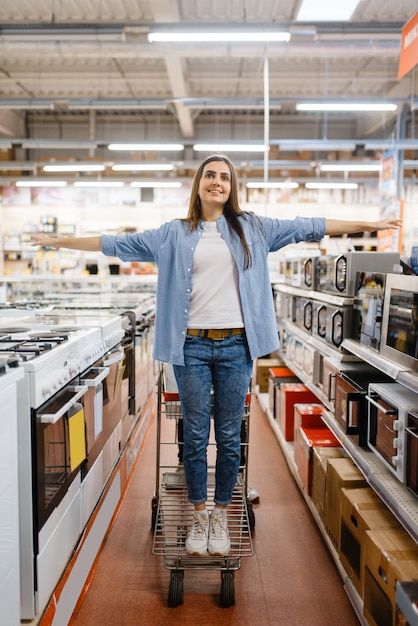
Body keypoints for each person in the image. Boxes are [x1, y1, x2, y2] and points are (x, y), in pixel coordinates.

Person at [30, 154, 402, 558]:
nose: (217, 182)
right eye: (210, 175)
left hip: (236, 347)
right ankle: (199, 516)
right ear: (199, 183)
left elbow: (308, 226)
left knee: (227, 436)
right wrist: (57, 241)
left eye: (225, 177)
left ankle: (221, 516)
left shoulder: (254, 228)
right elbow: (114, 244)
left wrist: (372, 225)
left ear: (231, 186)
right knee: (194, 435)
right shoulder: (172, 234)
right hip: (188, 346)